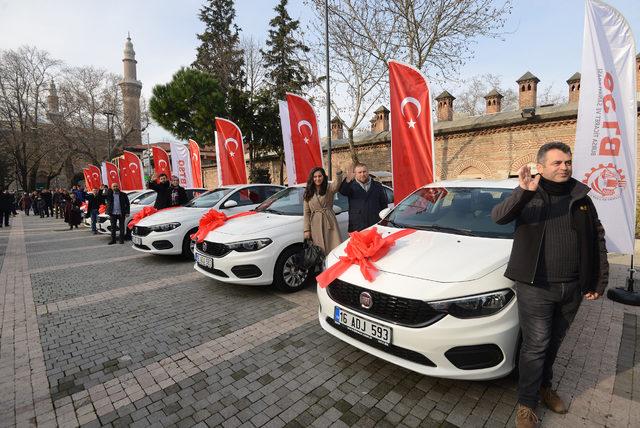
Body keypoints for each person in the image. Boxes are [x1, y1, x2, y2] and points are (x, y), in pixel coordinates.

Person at [491, 142, 609, 428]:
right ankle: (526, 404)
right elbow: (499, 218)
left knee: (553, 343)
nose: (564, 167)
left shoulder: (581, 197)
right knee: (536, 345)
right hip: (536, 287)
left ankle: (545, 387)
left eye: (567, 162)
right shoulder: (529, 194)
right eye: (557, 163)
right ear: (540, 167)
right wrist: (523, 191)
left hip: (572, 288)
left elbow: (597, 238)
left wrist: (598, 280)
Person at [303, 167, 345, 254]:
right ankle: (322, 267)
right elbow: (306, 212)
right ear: (312, 178)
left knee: (333, 246)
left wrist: (338, 174)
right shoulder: (308, 192)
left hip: (329, 220)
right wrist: (306, 229)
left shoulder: (329, 188)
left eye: (320, 176)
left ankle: (333, 265)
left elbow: (337, 184)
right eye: (315, 177)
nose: (317, 178)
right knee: (319, 249)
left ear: (323, 177)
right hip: (315, 223)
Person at [339, 163, 388, 232]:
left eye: (364, 172)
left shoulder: (377, 185)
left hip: (375, 224)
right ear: (355, 173)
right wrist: (348, 180)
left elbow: (383, 204)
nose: (362, 174)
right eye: (359, 172)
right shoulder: (350, 186)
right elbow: (342, 192)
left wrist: (384, 221)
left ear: (368, 172)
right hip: (357, 225)